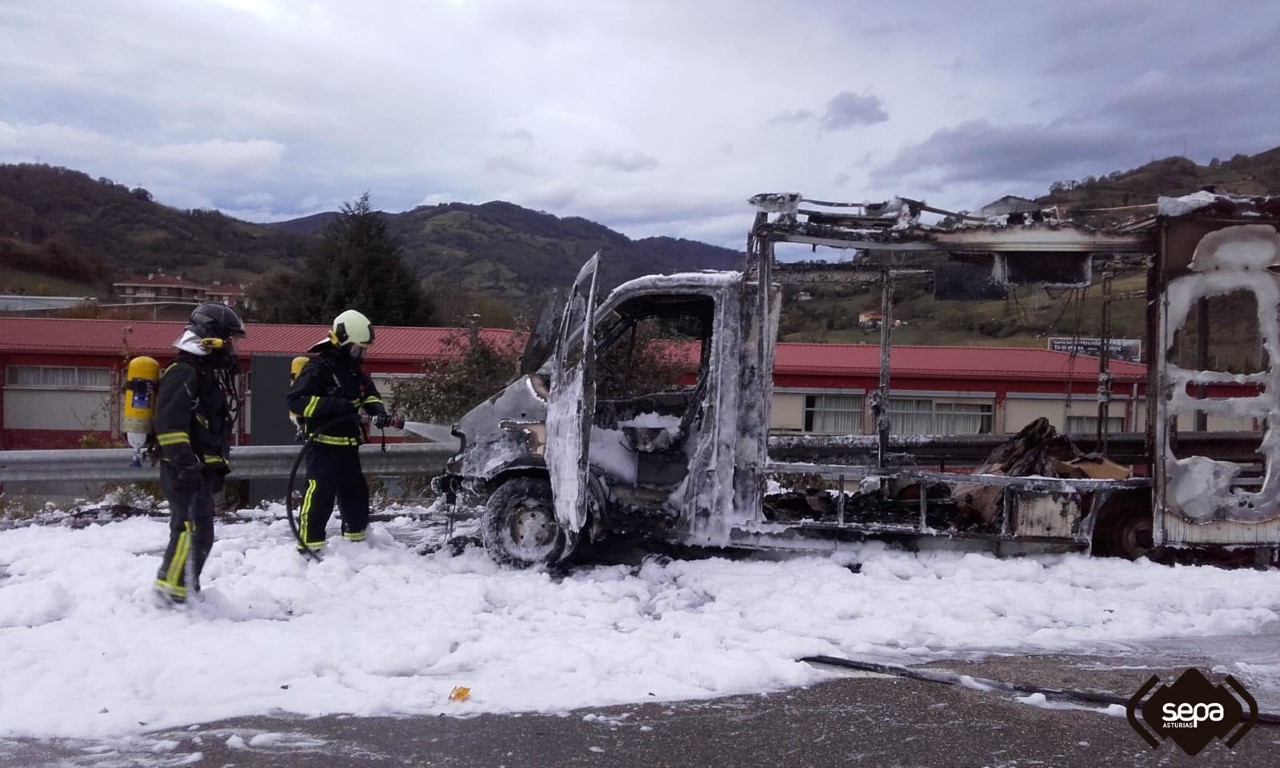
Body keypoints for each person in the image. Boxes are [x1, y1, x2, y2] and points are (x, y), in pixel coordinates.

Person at [152, 303, 245, 604]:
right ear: (211, 338)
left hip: (196, 468)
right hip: (183, 469)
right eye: (229, 340)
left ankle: (183, 589)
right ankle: (170, 594)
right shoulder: (183, 371)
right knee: (187, 530)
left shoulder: (202, 373)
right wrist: (186, 463)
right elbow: (168, 423)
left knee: (200, 532)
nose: (232, 348)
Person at [286, 309, 391, 553]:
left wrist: (377, 410)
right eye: (357, 349)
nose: (361, 355)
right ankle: (310, 547)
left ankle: (356, 543)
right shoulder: (318, 368)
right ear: (342, 343)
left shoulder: (354, 371)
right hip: (322, 446)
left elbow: (369, 393)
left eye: (363, 350)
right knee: (319, 496)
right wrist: (335, 406)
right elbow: (296, 400)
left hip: (348, 445)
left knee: (356, 495)